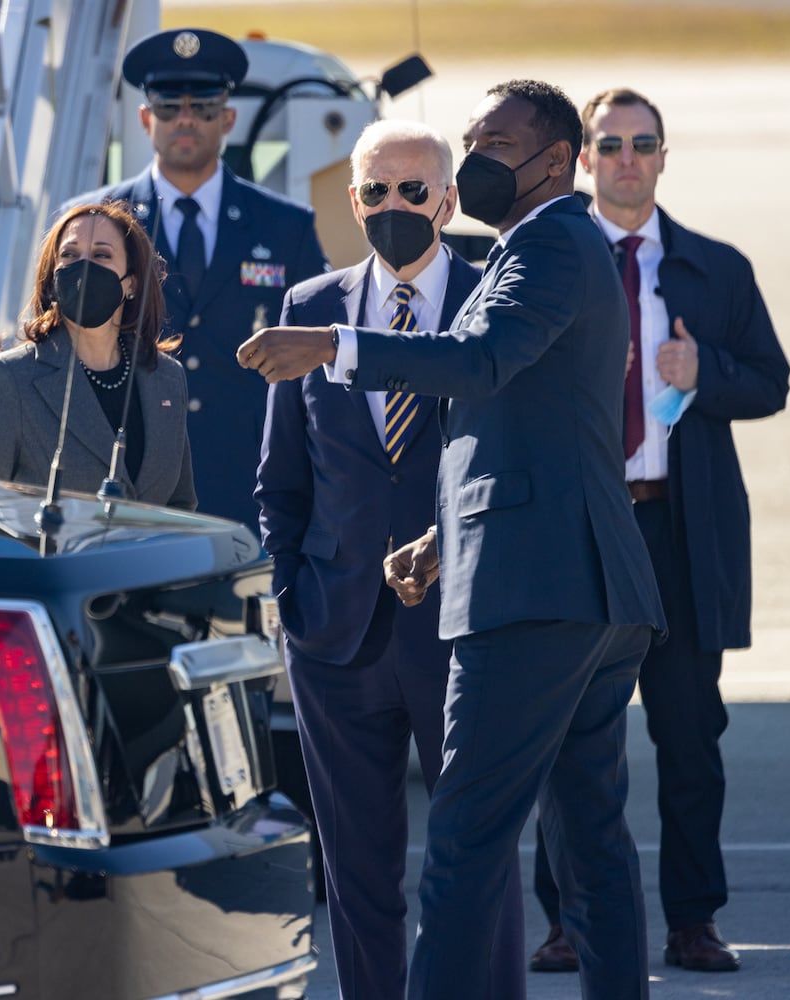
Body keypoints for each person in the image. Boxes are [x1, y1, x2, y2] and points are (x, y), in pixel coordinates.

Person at [237, 79, 668, 999]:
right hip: (572, 582)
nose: (477, 159)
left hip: (532, 593)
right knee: (588, 842)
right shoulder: (535, 249)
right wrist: (442, 538)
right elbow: (520, 419)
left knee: (466, 843)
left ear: (555, 161)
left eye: (495, 144)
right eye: (471, 138)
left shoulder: (547, 245)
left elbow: (476, 365)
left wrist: (332, 348)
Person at [257, 118, 524, 999]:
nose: (396, 205)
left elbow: (522, 463)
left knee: (473, 860)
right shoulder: (308, 308)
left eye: (415, 190)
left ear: (448, 198)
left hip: (463, 633)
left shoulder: (496, 301)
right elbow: (280, 482)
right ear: (352, 200)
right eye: (377, 190)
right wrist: (293, 596)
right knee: (357, 876)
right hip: (336, 637)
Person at [527, 86, 790, 977]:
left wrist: (701, 368)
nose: (626, 159)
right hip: (579, 528)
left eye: (643, 144)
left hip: (677, 527)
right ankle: (566, 920)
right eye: (609, 145)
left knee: (688, 735)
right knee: (566, 733)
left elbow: (769, 382)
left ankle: (692, 920)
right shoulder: (546, 264)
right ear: (583, 160)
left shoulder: (713, 268)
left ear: (663, 157)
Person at [65, 27, 327, 527]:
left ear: (227, 117)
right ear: (146, 119)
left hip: (253, 482)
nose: (186, 118)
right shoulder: (91, 223)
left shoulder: (287, 226)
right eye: (169, 106)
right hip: (125, 478)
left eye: (204, 106)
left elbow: (317, 355)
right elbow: (55, 349)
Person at [0, 201, 195, 509]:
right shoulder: (10, 377)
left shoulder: (166, 378)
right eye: (69, 255)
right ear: (52, 279)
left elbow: (181, 507)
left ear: (131, 283)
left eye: (101, 255)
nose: (84, 268)